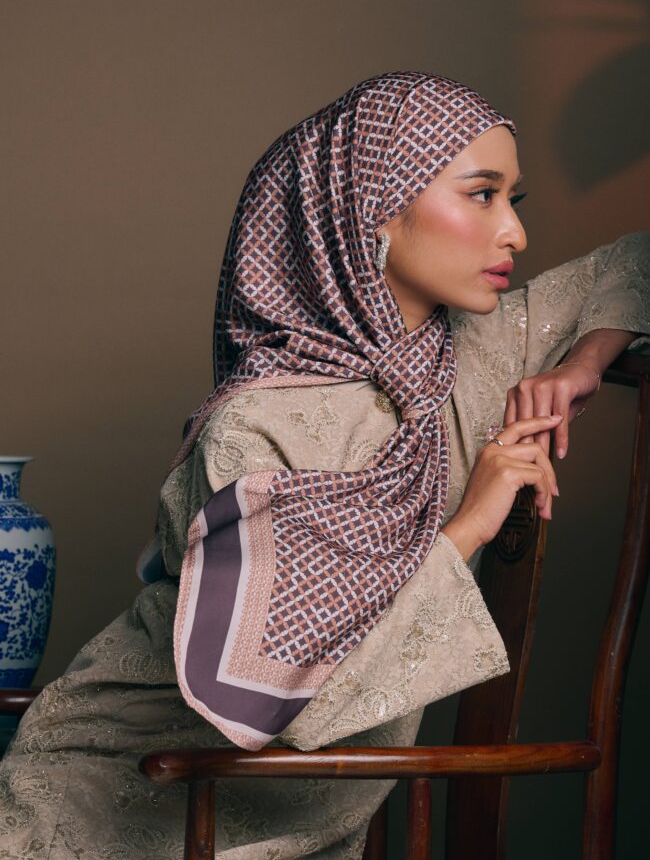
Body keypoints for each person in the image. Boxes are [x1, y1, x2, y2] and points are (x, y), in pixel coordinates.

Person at [0, 71, 648, 858]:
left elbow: (638, 261)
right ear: (373, 209)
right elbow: (291, 701)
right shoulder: (255, 426)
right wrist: (471, 524)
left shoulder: (466, 361)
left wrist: (582, 362)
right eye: (482, 194)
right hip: (121, 798)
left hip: (286, 812)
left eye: (515, 200)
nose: (514, 232)